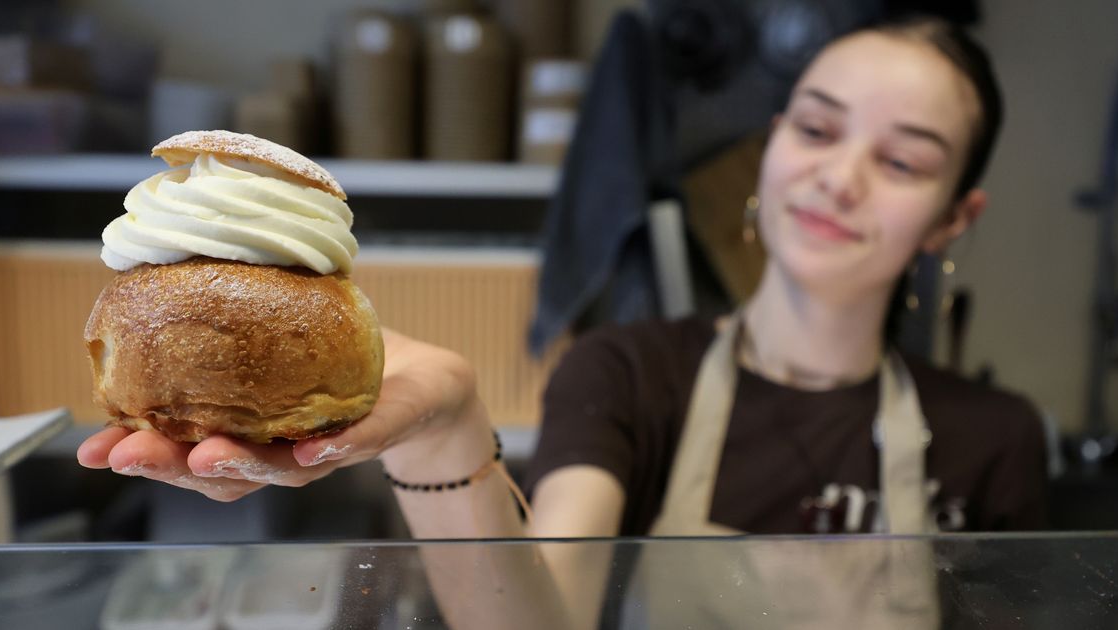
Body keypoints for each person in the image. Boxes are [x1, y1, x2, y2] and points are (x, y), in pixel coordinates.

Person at [77, 14, 1045, 629]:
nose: (839, 177)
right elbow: (542, 622)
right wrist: (446, 425)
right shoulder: (629, 375)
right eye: (817, 127)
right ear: (772, 147)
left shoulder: (995, 440)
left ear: (955, 218)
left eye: (906, 160)